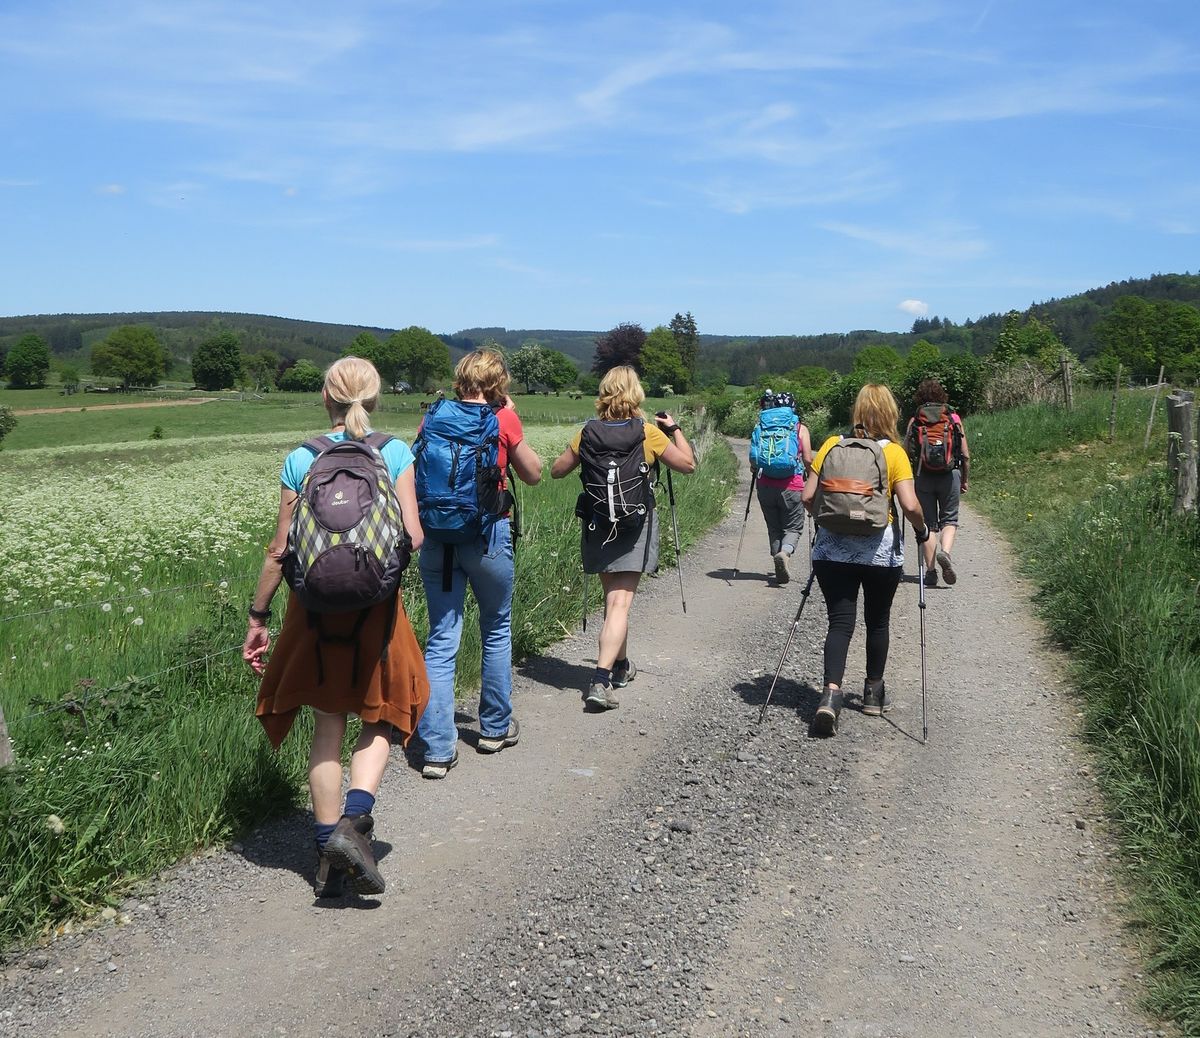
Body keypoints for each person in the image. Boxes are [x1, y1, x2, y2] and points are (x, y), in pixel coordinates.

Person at [243, 356, 429, 898]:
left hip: (313, 613)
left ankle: (326, 847)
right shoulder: (393, 451)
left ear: (325, 397)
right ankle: (354, 824)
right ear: (374, 399)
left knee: (327, 725)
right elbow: (413, 535)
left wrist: (258, 617)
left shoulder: (301, 458)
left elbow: (280, 551)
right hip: (377, 610)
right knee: (381, 717)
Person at [415, 349, 544, 779]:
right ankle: (493, 729)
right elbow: (534, 473)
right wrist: (512, 420)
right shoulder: (502, 418)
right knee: (496, 627)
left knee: (441, 638)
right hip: (487, 536)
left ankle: (436, 749)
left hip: (438, 539)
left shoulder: (434, 417)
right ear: (499, 382)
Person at [550, 366, 695, 710]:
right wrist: (674, 429)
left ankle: (620, 665)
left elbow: (556, 471)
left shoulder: (587, 432)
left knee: (613, 600)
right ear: (636, 395)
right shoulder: (648, 433)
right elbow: (688, 464)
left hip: (598, 523)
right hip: (635, 525)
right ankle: (600, 681)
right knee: (619, 604)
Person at [801, 383, 928, 736]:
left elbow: (808, 497)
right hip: (879, 551)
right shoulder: (895, 453)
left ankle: (830, 696)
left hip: (832, 551)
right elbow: (911, 505)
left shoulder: (830, 445)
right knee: (877, 621)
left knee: (840, 622)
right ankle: (873, 693)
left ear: (857, 411)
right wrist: (923, 531)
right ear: (890, 413)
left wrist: (831, 521)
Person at [903, 378, 970, 587]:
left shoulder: (915, 420)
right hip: (950, 475)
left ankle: (931, 572)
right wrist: (965, 479)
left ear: (920, 398)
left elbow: (906, 451)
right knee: (950, 520)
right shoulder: (953, 417)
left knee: (927, 525)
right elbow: (965, 454)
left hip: (923, 475)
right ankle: (946, 553)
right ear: (942, 396)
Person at [750, 389, 814, 585]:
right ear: (793, 406)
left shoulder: (761, 425)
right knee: (793, 526)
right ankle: (785, 554)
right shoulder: (799, 427)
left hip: (765, 484)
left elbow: (753, 458)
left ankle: (777, 558)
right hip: (792, 485)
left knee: (774, 526)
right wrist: (812, 477)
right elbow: (808, 458)